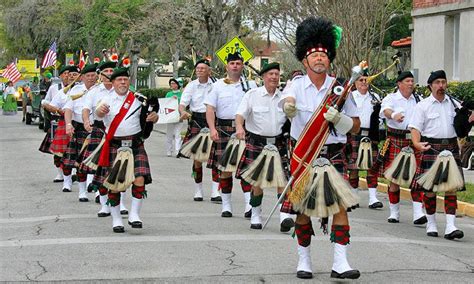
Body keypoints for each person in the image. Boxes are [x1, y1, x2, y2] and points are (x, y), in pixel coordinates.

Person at [280, 17, 361, 279]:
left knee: (340, 208)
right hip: (304, 156)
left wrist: (341, 120)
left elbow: (357, 126)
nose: (319, 60)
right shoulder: (294, 85)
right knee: (303, 210)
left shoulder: (341, 88)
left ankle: (340, 263)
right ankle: (304, 261)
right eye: (314, 56)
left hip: (333, 155)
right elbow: (287, 101)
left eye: (323, 56)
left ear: (329, 60)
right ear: (304, 61)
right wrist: (288, 107)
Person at [95, 66, 158, 233]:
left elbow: (151, 114)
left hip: (135, 144)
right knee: (115, 186)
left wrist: (154, 117)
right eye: (119, 80)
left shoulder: (138, 99)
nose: (123, 82)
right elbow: (98, 115)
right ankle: (116, 220)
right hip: (115, 145)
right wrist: (99, 112)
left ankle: (134, 215)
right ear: (113, 82)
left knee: (140, 179)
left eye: (125, 79)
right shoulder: (105, 99)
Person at [234, 62, 294, 232]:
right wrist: (239, 127)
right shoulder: (252, 95)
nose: (274, 77)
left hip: (278, 143)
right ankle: (255, 214)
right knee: (257, 183)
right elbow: (240, 115)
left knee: (282, 179)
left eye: (277, 74)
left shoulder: (284, 98)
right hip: (257, 143)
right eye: (271, 74)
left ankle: (284, 216)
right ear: (263, 77)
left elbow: (294, 121)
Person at [409, 70, 464, 240]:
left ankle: (450, 226)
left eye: (443, 82)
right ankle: (431, 223)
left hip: (451, 147)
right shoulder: (422, 106)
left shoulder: (455, 104)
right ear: (430, 86)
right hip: (431, 148)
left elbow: (462, 126)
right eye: (437, 82)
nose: (441, 86)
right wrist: (417, 143)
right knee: (430, 190)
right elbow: (415, 128)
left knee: (451, 189)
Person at [204, 52, 257, 218]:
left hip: (246, 130)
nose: (235, 66)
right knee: (225, 170)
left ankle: (249, 205)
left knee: (247, 170)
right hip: (224, 129)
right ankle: (226, 205)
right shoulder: (217, 85)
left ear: (242, 66)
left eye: (238, 63)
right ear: (227, 66)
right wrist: (212, 129)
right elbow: (210, 109)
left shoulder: (251, 85)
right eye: (232, 63)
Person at [378, 71, 427, 225]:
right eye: (407, 81)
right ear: (399, 83)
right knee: (394, 179)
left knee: (417, 178)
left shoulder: (419, 99)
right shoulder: (391, 98)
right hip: (396, 140)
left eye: (412, 81)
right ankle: (394, 213)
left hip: (415, 140)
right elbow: (385, 110)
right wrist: (393, 115)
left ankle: (418, 214)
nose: (411, 83)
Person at [179, 59, 221, 202]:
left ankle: (216, 191)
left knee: (216, 157)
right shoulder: (191, 86)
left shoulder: (216, 84)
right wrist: (182, 112)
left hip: (214, 121)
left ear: (209, 71)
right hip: (197, 120)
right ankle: (198, 189)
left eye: (203, 68)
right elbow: (182, 104)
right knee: (197, 159)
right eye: (198, 68)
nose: (199, 70)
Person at [80, 60, 117, 215]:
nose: (109, 74)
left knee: (118, 168)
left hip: (117, 131)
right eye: (106, 71)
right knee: (101, 168)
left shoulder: (122, 90)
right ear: (100, 75)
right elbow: (86, 109)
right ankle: (104, 204)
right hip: (100, 129)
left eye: (111, 71)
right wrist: (86, 121)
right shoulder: (94, 92)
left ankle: (118, 203)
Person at [347, 68, 383, 209]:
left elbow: (381, 116)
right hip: (354, 135)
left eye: (366, 80)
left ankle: (373, 198)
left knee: (371, 168)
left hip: (370, 135)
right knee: (354, 168)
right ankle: (354, 197)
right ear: (355, 82)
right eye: (360, 80)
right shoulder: (350, 97)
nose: (363, 82)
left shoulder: (375, 98)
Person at [62, 64, 98, 201]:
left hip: (97, 128)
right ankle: (82, 192)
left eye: (93, 75)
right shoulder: (76, 90)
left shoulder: (101, 90)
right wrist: (68, 124)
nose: (91, 78)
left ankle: (97, 192)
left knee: (98, 162)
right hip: (80, 128)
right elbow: (68, 109)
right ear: (82, 77)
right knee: (80, 162)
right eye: (88, 76)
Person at [49, 65, 81, 192]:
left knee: (80, 152)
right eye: (70, 74)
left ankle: (78, 176)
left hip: (81, 123)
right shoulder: (62, 91)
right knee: (63, 152)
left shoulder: (86, 89)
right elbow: (51, 105)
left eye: (75, 74)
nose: (72, 77)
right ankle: (64, 177)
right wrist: (59, 110)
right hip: (65, 122)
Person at [39, 66, 70, 182]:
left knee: (72, 149)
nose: (67, 75)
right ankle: (60, 173)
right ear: (61, 76)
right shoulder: (54, 88)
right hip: (58, 120)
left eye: (69, 73)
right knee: (58, 151)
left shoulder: (78, 88)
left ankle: (71, 173)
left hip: (72, 122)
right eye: (65, 73)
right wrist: (55, 109)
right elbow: (45, 102)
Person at [165, 78, 183, 157]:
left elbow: (184, 104)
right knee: (169, 135)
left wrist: (177, 99)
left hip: (179, 117)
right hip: (170, 117)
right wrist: (170, 99)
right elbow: (164, 104)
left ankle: (177, 151)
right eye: (171, 83)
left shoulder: (182, 94)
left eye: (174, 83)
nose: (172, 85)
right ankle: (169, 150)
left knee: (177, 134)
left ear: (178, 84)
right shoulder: (168, 94)